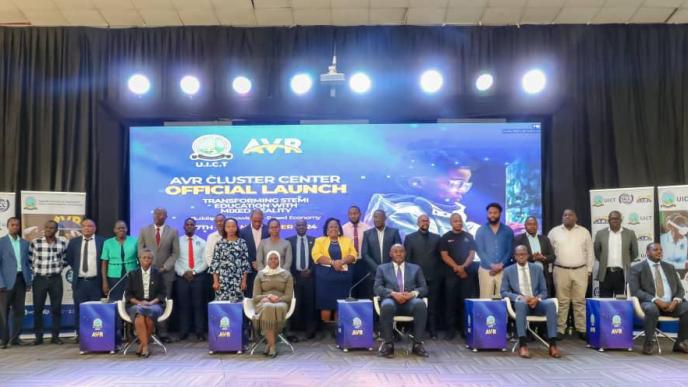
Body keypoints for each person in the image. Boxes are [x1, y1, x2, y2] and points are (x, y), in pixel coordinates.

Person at [501, 245, 560, 359]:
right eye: (519, 254)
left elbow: (544, 291)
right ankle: (523, 345)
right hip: (522, 304)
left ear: (528, 255)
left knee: (550, 304)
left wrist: (536, 298)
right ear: (515, 256)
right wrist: (519, 297)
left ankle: (553, 345)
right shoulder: (508, 271)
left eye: (523, 254)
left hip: (536, 302)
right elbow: (503, 292)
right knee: (521, 304)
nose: (521, 256)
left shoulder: (537, 269)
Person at [630, 243, 688, 355]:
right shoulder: (637, 268)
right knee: (651, 309)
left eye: (661, 250)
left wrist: (675, 301)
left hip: (671, 304)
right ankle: (648, 343)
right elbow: (635, 291)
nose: (659, 252)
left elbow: (680, 289)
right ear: (647, 252)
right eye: (655, 250)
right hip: (650, 303)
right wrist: (656, 300)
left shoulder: (669, 267)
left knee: (687, 307)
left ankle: (680, 343)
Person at [375, 244, 429, 358]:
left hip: (410, 301)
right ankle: (388, 344)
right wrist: (393, 293)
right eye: (395, 251)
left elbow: (424, 288)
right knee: (387, 306)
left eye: (401, 251)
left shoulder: (416, 268)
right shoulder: (382, 268)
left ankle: (417, 344)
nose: (398, 253)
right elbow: (377, 288)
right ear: (390, 254)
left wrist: (412, 294)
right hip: (391, 300)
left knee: (420, 305)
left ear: (405, 253)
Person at [547, 209, 594, 340]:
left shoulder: (584, 232)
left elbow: (590, 252)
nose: (567, 217)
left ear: (576, 218)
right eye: (565, 215)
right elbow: (549, 252)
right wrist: (550, 270)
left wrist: (589, 270)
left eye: (570, 215)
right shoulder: (554, 232)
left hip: (581, 270)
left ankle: (582, 329)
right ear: (562, 217)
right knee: (562, 301)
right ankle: (560, 329)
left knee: (580, 301)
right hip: (560, 270)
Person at [137, 208, 179, 342]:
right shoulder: (144, 230)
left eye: (161, 214)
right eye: (155, 214)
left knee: (164, 302)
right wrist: (147, 265)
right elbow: (140, 250)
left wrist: (165, 267)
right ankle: (146, 334)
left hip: (165, 273)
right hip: (147, 272)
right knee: (146, 301)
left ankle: (163, 333)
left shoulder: (173, 231)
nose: (157, 216)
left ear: (166, 216)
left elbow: (175, 253)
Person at [312, 218, 357, 329]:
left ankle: (338, 329)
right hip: (325, 278)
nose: (333, 228)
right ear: (327, 230)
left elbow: (353, 255)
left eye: (336, 226)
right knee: (325, 304)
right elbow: (316, 256)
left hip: (343, 278)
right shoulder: (319, 241)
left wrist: (341, 262)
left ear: (339, 229)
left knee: (340, 304)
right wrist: (333, 262)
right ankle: (326, 330)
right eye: (331, 226)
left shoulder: (347, 240)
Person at [29, 220, 68, 345]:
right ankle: (38, 337)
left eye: (51, 228)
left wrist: (58, 268)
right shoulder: (36, 243)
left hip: (55, 279)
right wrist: (36, 271)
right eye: (46, 227)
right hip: (39, 279)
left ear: (56, 230)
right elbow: (29, 261)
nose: (48, 230)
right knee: (38, 308)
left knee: (56, 309)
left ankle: (55, 336)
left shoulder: (62, 243)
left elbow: (65, 259)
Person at [65, 218, 104, 341]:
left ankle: (95, 334)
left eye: (90, 226)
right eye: (85, 226)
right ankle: (80, 334)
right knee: (79, 309)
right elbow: (70, 260)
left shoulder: (102, 241)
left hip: (96, 282)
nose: (87, 228)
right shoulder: (74, 242)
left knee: (96, 309)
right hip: (80, 282)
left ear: (95, 228)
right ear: (81, 228)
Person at [403, 214, 442, 338]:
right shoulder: (409, 238)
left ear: (429, 222)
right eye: (422, 220)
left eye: (426, 220)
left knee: (433, 306)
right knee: (415, 305)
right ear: (417, 223)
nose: (424, 222)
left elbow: (440, 259)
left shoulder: (437, 238)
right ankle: (414, 331)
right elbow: (407, 260)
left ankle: (433, 331)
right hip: (415, 279)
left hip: (433, 277)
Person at [439, 213, 476, 340]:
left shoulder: (469, 236)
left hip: (466, 275)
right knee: (450, 303)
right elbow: (444, 255)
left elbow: (472, 255)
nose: (458, 223)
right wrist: (457, 267)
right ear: (451, 223)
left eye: (460, 221)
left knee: (464, 303)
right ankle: (450, 330)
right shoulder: (445, 237)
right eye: (455, 221)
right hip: (451, 276)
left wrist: (463, 267)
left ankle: (464, 329)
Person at [252, 250, 294, 358]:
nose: (273, 261)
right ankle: (272, 346)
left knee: (274, 307)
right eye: (271, 258)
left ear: (279, 260)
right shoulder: (260, 275)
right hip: (264, 302)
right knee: (268, 307)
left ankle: (270, 345)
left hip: (281, 302)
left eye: (276, 258)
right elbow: (255, 297)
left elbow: (289, 296)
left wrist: (278, 299)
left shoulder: (287, 275)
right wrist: (267, 297)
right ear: (267, 260)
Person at [125, 249, 166, 358]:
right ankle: (146, 347)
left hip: (154, 304)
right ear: (139, 259)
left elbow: (162, 294)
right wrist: (140, 302)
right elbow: (128, 295)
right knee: (140, 315)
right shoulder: (133, 274)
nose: (147, 260)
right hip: (136, 304)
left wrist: (151, 303)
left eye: (149, 258)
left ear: (152, 260)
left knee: (148, 316)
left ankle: (142, 346)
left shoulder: (158, 273)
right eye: (144, 257)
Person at [0, 217, 31, 348]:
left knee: (19, 311)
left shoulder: (25, 243)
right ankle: (3, 339)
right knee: (3, 312)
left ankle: (15, 338)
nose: (15, 227)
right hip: (5, 282)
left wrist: (28, 281)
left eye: (17, 225)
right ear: (8, 226)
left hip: (21, 280)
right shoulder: (1, 242)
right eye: (12, 225)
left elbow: (27, 264)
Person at [175, 218, 207, 341]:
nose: (189, 226)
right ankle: (184, 332)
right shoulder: (177, 242)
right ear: (183, 227)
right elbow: (175, 260)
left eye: (192, 225)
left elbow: (205, 261)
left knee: (198, 305)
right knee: (183, 306)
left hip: (198, 277)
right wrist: (183, 273)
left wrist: (193, 272)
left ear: (195, 227)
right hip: (182, 277)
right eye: (187, 224)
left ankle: (199, 332)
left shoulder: (202, 242)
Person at [594, 211, 638, 298]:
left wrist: (626, 261)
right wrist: (603, 260)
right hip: (605, 273)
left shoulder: (629, 233)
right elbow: (597, 251)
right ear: (608, 220)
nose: (614, 220)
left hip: (622, 273)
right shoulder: (600, 234)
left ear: (621, 220)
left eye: (617, 218)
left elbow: (634, 252)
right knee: (605, 301)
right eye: (612, 219)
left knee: (621, 301)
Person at [475, 203, 514, 299]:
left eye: (495, 213)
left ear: (500, 213)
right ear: (487, 214)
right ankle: (484, 315)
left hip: (504, 269)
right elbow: (480, 250)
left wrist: (501, 265)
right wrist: (491, 265)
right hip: (485, 270)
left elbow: (510, 251)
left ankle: (503, 315)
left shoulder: (508, 230)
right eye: (490, 213)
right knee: (485, 297)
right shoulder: (481, 230)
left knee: (503, 298)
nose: (492, 215)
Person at [361, 210, 402, 299]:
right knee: (374, 301)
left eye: (379, 217)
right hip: (373, 274)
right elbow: (365, 254)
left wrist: (388, 268)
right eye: (375, 217)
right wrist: (378, 269)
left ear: (385, 218)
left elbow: (399, 252)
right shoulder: (367, 234)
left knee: (390, 301)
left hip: (391, 273)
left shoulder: (394, 232)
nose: (376, 219)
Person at [286, 219, 316, 340]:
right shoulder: (289, 241)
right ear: (295, 227)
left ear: (307, 227)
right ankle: (294, 330)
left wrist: (311, 270)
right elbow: (287, 260)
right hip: (295, 277)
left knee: (310, 303)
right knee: (295, 304)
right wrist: (291, 275)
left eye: (303, 225)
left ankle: (311, 330)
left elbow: (316, 258)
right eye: (299, 225)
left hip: (310, 276)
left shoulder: (314, 241)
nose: (301, 227)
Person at [209, 218, 250, 302]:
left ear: (236, 228)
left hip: (237, 280)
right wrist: (215, 281)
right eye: (228, 226)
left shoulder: (242, 243)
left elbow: (245, 263)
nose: (231, 228)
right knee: (222, 306)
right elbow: (215, 263)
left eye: (233, 226)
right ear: (225, 228)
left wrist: (244, 281)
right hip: (223, 281)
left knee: (237, 306)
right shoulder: (219, 243)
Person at [513, 216, 556, 296]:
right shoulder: (518, 239)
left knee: (544, 299)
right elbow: (514, 257)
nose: (532, 226)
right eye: (529, 224)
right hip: (525, 275)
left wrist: (543, 258)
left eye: (534, 224)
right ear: (525, 226)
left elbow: (552, 257)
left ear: (537, 226)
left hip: (543, 275)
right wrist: (533, 257)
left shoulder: (545, 239)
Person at [101, 221, 139, 302]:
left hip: (132, 274)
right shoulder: (108, 243)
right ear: (114, 230)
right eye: (118, 228)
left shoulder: (135, 240)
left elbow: (140, 258)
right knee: (116, 300)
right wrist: (104, 282)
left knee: (132, 298)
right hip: (113, 276)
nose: (121, 230)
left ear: (127, 229)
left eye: (123, 228)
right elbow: (104, 263)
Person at [342, 205, 372, 300]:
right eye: (351, 214)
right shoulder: (343, 229)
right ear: (348, 215)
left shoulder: (368, 228)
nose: (353, 216)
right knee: (350, 289)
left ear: (360, 214)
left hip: (363, 262)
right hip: (349, 263)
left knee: (364, 289)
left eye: (355, 213)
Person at [239, 209, 269, 297]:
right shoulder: (243, 232)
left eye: (259, 221)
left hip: (265, 269)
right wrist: (252, 263)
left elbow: (272, 249)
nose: (257, 223)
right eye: (255, 221)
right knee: (250, 297)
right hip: (249, 272)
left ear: (263, 219)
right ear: (250, 218)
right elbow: (242, 252)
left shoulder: (268, 230)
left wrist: (261, 263)